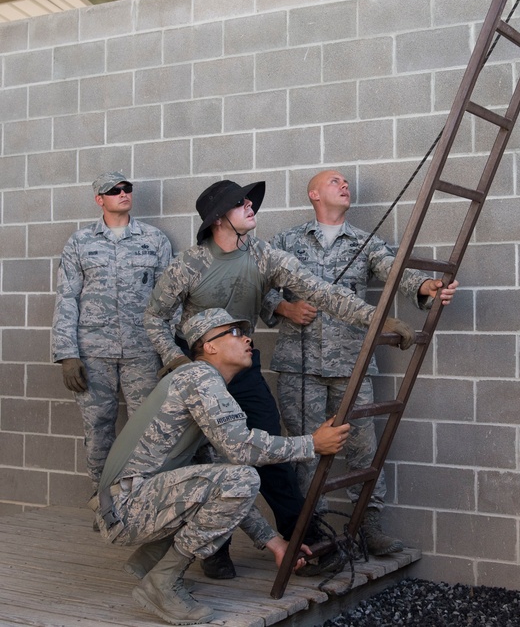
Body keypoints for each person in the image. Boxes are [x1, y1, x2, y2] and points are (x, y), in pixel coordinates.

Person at [143, 178, 414, 579]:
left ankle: (299, 538)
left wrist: (378, 321)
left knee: (269, 453)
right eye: (241, 203)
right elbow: (153, 317)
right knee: (206, 458)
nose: (252, 206)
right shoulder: (189, 265)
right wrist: (175, 359)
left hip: (243, 369)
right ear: (220, 219)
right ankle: (213, 547)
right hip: (198, 374)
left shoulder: (264, 255)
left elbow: (321, 292)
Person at [95, 308, 352, 625]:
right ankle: (162, 583)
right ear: (209, 347)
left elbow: (219, 480)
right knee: (242, 478)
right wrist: (311, 443)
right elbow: (242, 450)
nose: (247, 339)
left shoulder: (196, 382)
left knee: (229, 480)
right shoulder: (200, 378)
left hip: (124, 506)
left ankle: (153, 563)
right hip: (128, 507)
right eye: (233, 333)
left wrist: (274, 543)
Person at [265, 169, 457, 555]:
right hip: (299, 368)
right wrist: (283, 306)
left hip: (351, 365)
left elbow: (395, 271)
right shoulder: (285, 241)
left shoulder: (366, 242)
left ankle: (367, 525)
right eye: (334, 182)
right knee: (306, 451)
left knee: (362, 452)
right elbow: (253, 287)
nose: (345, 185)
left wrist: (426, 286)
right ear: (314, 194)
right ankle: (310, 531)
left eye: (346, 181)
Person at [51, 171, 173, 496]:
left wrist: (170, 352)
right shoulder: (79, 242)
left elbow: (168, 300)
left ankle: (140, 503)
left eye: (126, 188)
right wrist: (67, 354)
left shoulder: (155, 240)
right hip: (92, 355)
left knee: (146, 430)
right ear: (99, 199)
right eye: (114, 190)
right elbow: (66, 298)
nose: (122, 193)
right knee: (97, 430)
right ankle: (103, 502)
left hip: (143, 353)